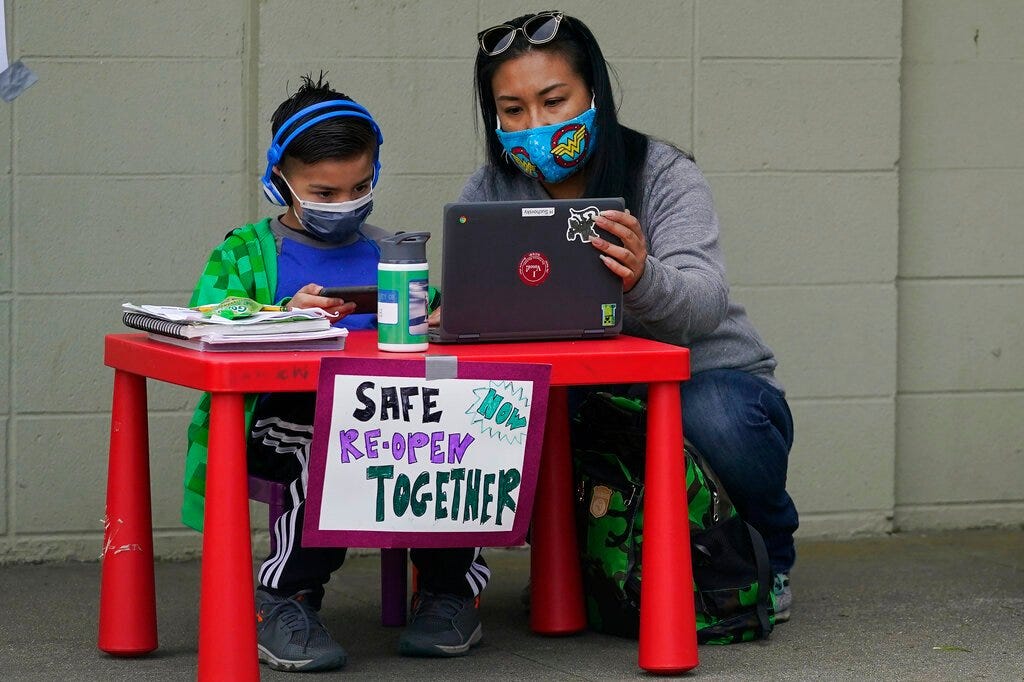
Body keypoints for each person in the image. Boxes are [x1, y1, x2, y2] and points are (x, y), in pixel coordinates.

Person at [460, 11, 799, 622]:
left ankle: (770, 553)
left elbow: (703, 301)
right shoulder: (490, 191)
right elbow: (477, 303)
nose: (535, 126)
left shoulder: (662, 172)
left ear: (595, 93)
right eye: (512, 110)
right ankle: (573, 565)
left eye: (554, 100)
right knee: (501, 415)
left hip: (706, 383)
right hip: (581, 397)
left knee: (715, 415)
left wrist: (642, 275)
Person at [183, 73, 484, 673]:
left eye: (359, 186)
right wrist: (276, 313)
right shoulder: (246, 251)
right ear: (280, 181)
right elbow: (205, 319)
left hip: (389, 407)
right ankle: (285, 597)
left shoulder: (388, 249)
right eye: (323, 192)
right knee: (325, 444)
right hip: (281, 420)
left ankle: (451, 590)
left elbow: (441, 321)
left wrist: (449, 315)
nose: (343, 203)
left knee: (455, 437)